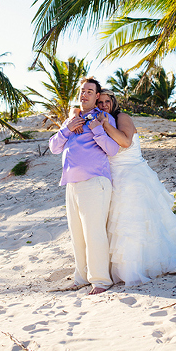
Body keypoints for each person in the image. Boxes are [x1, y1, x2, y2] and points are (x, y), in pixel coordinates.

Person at [94, 89, 176, 285]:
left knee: (133, 223)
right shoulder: (97, 119)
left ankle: (135, 268)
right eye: (99, 102)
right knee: (117, 224)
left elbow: (125, 141)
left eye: (106, 101)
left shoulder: (121, 117)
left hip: (132, 175)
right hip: (113, 176)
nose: (103, 106)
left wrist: (106, 125)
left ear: (113, 102)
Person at [49, 78, 119, 295]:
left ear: (97, 96)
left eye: (90, 91)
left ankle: (100, 280)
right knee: (77, 234)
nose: (84, 95)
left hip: (94, 181)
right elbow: (53, 147)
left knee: (94, 232)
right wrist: (67, 129)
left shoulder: (104, 117)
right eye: (82, 91)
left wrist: (97, 129)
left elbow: (113, 149)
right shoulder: (71, 120)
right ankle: (81, 277)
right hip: (72, 184)